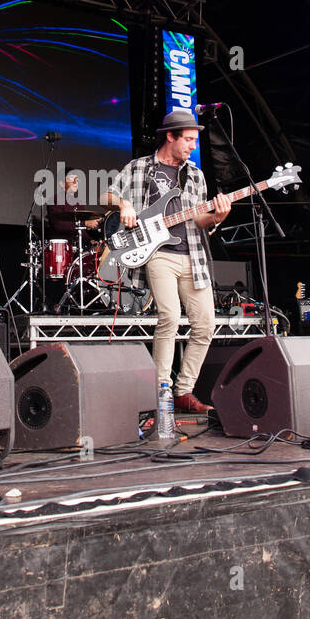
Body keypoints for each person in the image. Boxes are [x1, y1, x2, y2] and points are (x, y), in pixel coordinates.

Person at [105, 110, 230, 413]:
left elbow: (200, 218)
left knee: (205, 325)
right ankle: (161, 390)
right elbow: (109, 193)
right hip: (159, 254)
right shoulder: (139, 168)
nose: (192, 146)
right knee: (170, 318)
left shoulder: (195, 175)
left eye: (194, 140)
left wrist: (217, 216)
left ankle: (184, 392)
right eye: (187, 139)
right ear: (170, 137)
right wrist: (124, 205)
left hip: (193, 256)